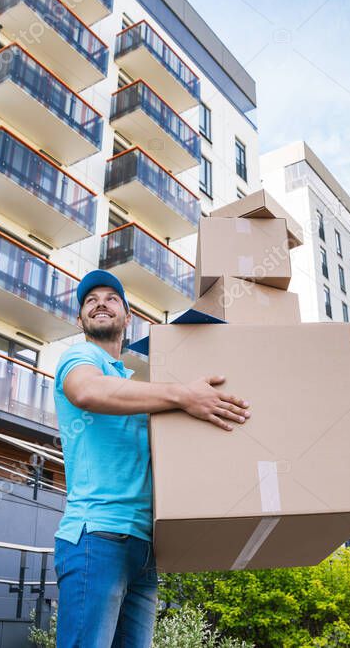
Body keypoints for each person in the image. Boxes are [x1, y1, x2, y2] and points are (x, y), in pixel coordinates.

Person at [53, 270, 250, 647]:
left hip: (144, 548)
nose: (100, 303)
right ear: (79, 320)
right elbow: (86, 390)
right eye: (90, 300)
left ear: (128, 318)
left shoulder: (132, 385)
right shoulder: (80, 357)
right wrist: (182, 396)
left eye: (112, 298)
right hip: (98, 535)